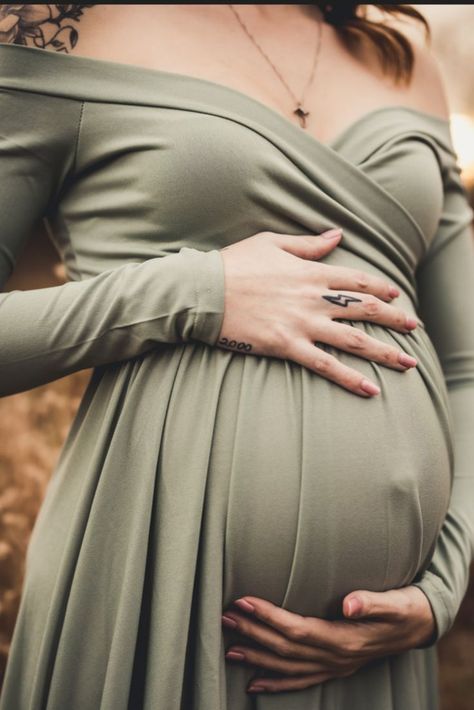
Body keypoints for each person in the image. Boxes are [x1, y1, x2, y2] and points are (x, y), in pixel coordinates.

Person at [0, 3, 472, 709]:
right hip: (158, 590)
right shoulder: (53, 29)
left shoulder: (401, 50)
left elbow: (468, 363)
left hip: (374, 651)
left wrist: (441, 589)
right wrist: (194, 291)